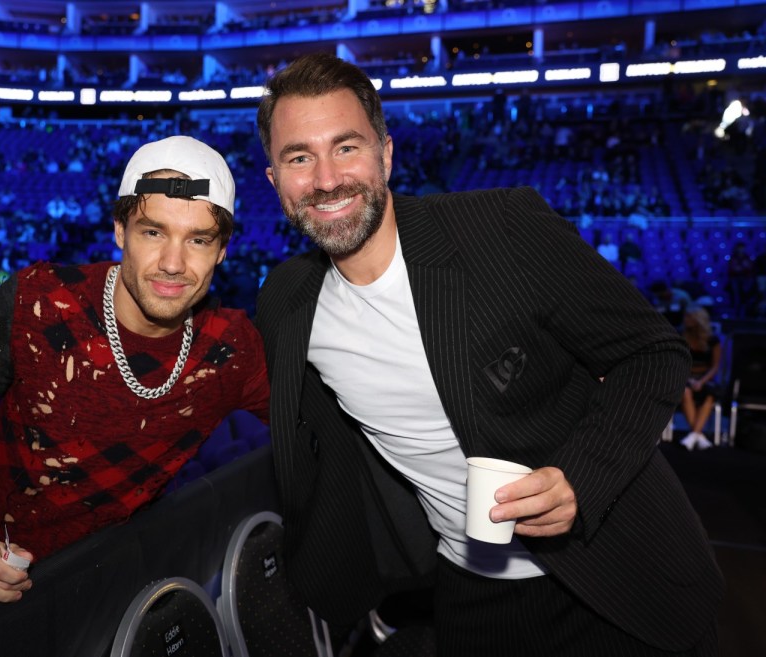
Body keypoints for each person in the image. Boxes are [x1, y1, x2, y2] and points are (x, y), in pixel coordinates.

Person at [254, 52, 722, 656]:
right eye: (299, 157)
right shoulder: (286, 304)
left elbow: (653, 353)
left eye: (346, 147)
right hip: (471, 594)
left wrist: (581, 477)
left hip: (615, 571)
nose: (324, 179)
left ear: (386, 154)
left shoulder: (500, 228)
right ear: (273, 180)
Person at [0, 135, 269, 607]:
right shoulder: (36, 302)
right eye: (152, 232)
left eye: (198, 239)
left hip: (113, 599)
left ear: (222, 251)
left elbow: (318, 427)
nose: (173, 264)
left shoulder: (231, 349)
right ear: (119, 230)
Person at [679, 307, 721, 451]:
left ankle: (694, 434)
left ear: (699, 319)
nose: (686, 320)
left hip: (705, 378)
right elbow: (678, 362)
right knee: (685, 392)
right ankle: (698, 435)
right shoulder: (680, 336)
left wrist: (701, 381)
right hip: (685, 376)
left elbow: (715, 366)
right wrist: (688, 378)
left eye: (690, 317)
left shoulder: (712, 340)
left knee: (709, 395)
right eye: (686, 317)